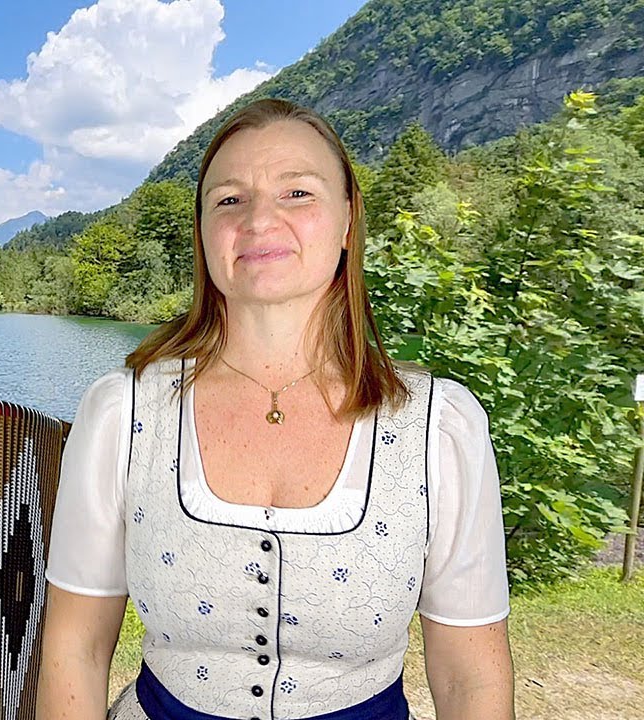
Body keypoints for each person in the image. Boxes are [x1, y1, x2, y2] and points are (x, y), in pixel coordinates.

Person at [38, 98, 514, 720]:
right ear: (204, 233)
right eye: (229, 200)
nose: (260, 220)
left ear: (348, 222)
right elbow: (76, 645)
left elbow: (470, 675)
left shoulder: (438, 426)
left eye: (297, 193)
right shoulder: (120, 415)